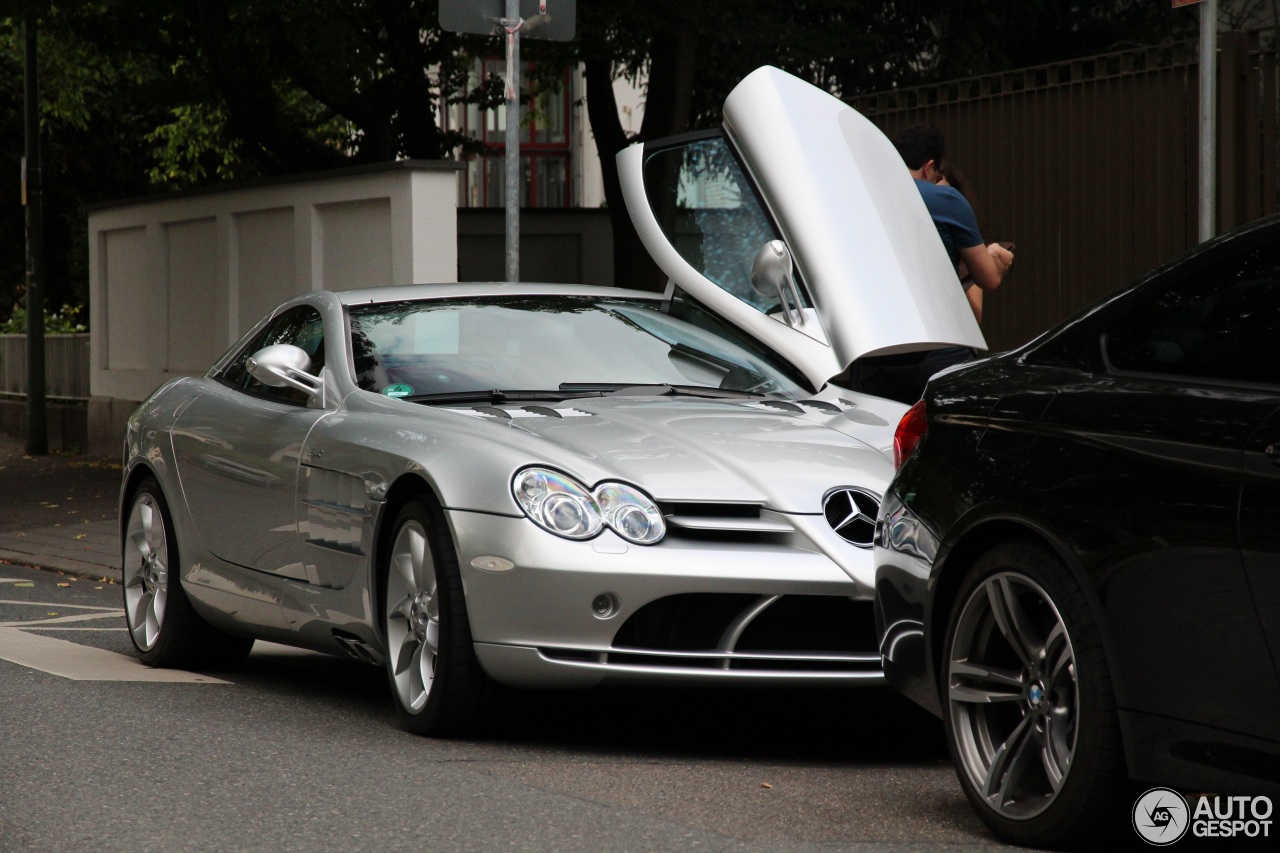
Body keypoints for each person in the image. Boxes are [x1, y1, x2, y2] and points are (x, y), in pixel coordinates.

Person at [846, 126, 1012, 404]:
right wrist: (998, 257)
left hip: (875, 351)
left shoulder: (859, 200)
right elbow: (988, 279)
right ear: (930, 167)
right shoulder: (946, 199)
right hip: (939, 350)